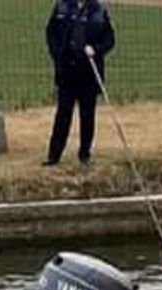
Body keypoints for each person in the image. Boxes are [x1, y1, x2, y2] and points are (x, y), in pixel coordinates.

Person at [43, 0, 115, 166]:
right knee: (63, 115)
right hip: (66, 73)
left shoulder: (99, 11)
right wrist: (57, 55)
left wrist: (96, 49)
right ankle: (54, 156)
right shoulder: (62, 6)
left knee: (87, 115)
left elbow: (109, 39)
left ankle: (85, 155)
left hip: (89, 73)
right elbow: (51, 32)